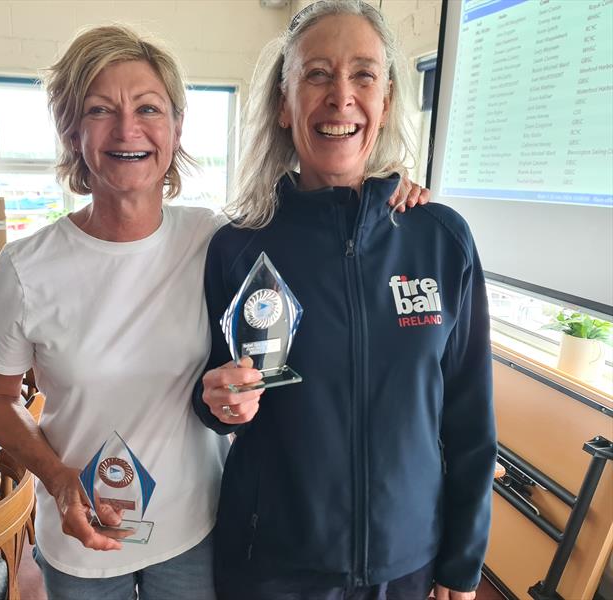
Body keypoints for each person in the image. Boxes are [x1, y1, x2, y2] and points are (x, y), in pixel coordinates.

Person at [0, 22, 429, 600]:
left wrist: (394, 196)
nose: (127, 130)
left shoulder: (219, 240)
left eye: (149, 108)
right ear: (70, 129)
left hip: (197, 532)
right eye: (98, 110)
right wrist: (59, 479)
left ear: (176, 128)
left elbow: (325, 233)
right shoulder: (22, 270)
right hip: (82, 536)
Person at [193, 2, 496, 600]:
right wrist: (215, 401)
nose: (341, 96)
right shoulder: (236, 246)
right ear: (283, 104)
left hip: (405, 563)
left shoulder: (439, 240)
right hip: (272, 566)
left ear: (385, 102)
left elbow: (469, 421)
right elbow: (207, 391)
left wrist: (461, 567)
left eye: (363, 74)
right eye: (316, 74)